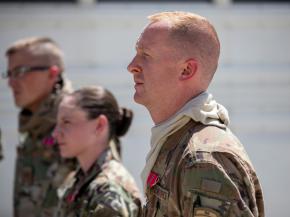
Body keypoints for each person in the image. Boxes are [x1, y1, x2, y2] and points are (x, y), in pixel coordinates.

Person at [127, 11, 264, 217]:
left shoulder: (202, 160)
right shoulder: (177, 142)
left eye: (146, 55)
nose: (132, 66)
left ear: (186, 70)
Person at [4, 37, 76, 217]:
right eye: (9, 73)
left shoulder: (79, 123)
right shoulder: (33, 123)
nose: (11, 83)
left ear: (52, 73)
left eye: (20, 71)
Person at [53, 86, 142, 217]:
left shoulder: (109, 192)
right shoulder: (79, 180)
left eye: (66, 122)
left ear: (100, 125)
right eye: (57, 123)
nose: (55, 133)